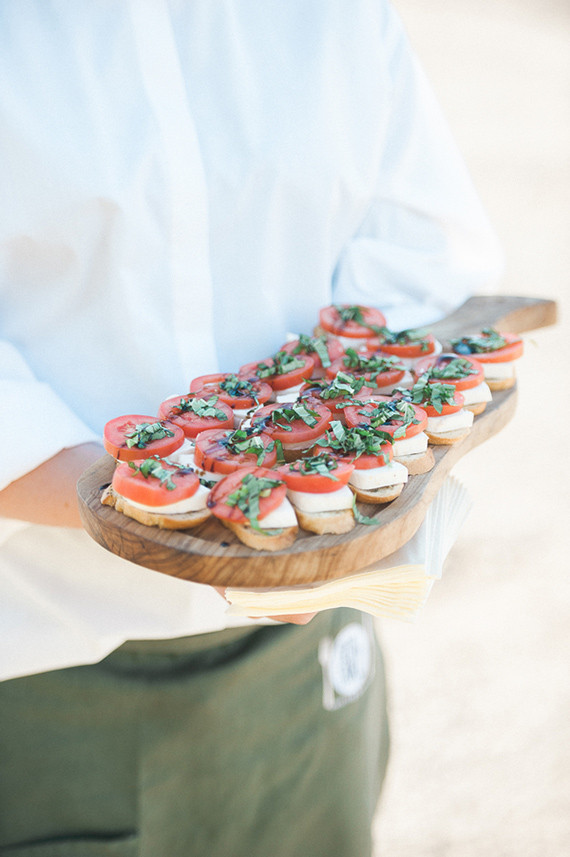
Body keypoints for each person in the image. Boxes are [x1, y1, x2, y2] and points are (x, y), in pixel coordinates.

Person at [0, 2, 503, 855]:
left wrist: (304, 512)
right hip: (46, 674)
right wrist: (159, 502)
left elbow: (422, 261)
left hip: (314, 655)